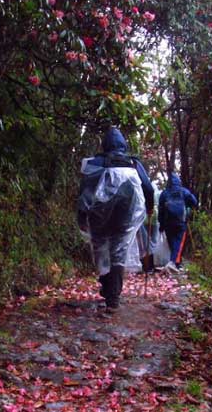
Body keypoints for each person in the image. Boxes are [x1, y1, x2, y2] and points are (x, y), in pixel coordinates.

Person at [77, 127, 154, 310]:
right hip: (125, 216)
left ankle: (106, 285)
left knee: (101, 248)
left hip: (99, 216)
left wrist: (82, 217)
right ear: (123, 144)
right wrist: (149, 209)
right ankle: (113, 298)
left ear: (104, 145)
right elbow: (148, 189)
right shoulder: (133, 163)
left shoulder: (95, 162)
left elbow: (85, 191)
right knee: (119, 252)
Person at [158, 173, 198, 273]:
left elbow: (161, 210)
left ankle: (176, 263)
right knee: (178, 242)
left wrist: (161, 224)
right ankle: (173, 263)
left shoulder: (164, 193)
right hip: (180, 222)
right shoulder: (184, 191)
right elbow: (194, 202)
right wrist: (187, 206)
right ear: (179, 182)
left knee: (172, 243)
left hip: (168, 223)